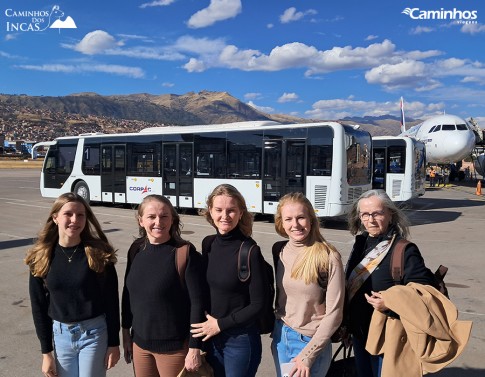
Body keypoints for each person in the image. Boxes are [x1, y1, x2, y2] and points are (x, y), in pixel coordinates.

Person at [25, 192, 120, 377]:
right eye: (68, 214)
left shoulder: (99, 255)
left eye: (80, 215)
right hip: (61, 336)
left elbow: (111, 302)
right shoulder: (41, 257)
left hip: (94, 334)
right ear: (55, 217)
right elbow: (38, 307)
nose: (74, 220)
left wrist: (113, 343)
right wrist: (46, 353)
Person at [345, 189, 438, 377]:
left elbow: (424, 295)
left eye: (377, 213)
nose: (370, 220)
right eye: (365, 214)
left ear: (390, 214)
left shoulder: (404, 250)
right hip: (360, 335)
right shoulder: (360, 244)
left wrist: (390, 304)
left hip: (389, 337)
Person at [121, 194, 204, 377]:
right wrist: (125, 333)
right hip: (140, 346)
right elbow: (128, 295)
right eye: (151, 216)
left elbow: (197, 305)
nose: (158, 221)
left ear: (172, 219)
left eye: (164, 216)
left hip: (173, 349)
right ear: (140, 220)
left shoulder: (185, 254)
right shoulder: (136, 249)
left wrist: (194, 348)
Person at [191, 184, 265, 377]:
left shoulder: (249, 251)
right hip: (212, 338)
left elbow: (258, 304)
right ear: (210, 211)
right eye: (219, 210)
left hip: (239, 341)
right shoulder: (208, 243)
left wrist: (220, 325)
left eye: (231, 210)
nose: (225, 216)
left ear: (240, 213)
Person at [271, 192, 345, 377]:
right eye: (288, 219)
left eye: (301, 217)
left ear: (311, 219)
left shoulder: (328, 257)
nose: (295, 225)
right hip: (282, 336)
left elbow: (335, 313)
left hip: (310, 342)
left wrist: (308, 355)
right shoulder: (280, 250)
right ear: (281, 222)